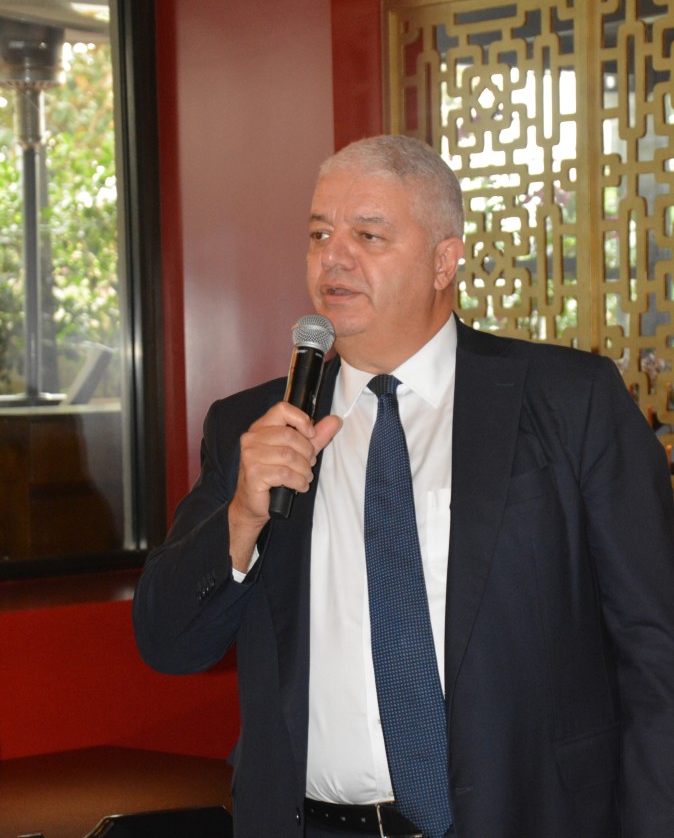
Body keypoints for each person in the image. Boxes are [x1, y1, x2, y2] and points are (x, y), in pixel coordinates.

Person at [133, 134, 674, 838]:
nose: (333, 258)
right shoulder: (258, 427)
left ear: (444, 261)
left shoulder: (571, 401)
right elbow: (167, 643)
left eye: (368, 235)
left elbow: (655, 648)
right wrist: (241, 518)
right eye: (319, 234)